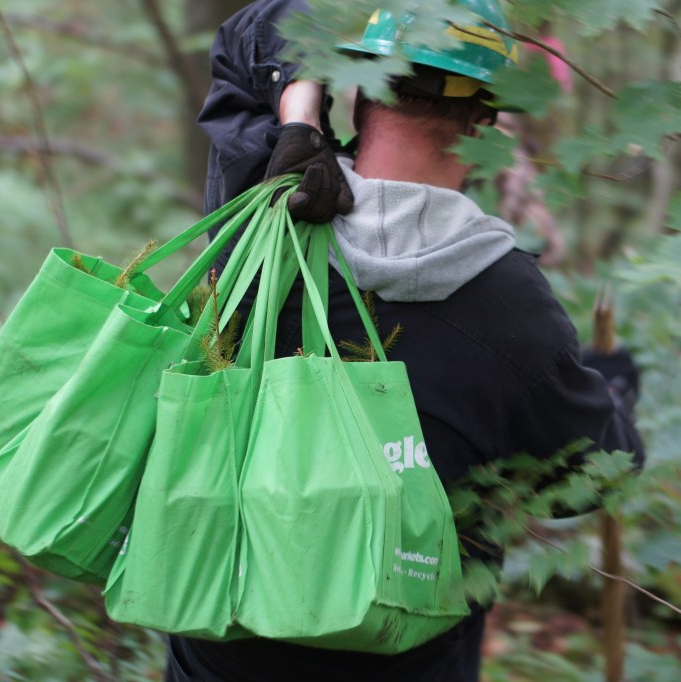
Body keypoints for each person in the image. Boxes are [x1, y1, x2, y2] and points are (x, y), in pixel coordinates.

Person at [167, 1, 644, 679]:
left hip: (219, 647)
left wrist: (300, 119)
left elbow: (250, 36)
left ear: (359, 96)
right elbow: (592, 474)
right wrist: (614, 388)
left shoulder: (262, 214)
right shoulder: (510, 304)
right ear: (485, 125)